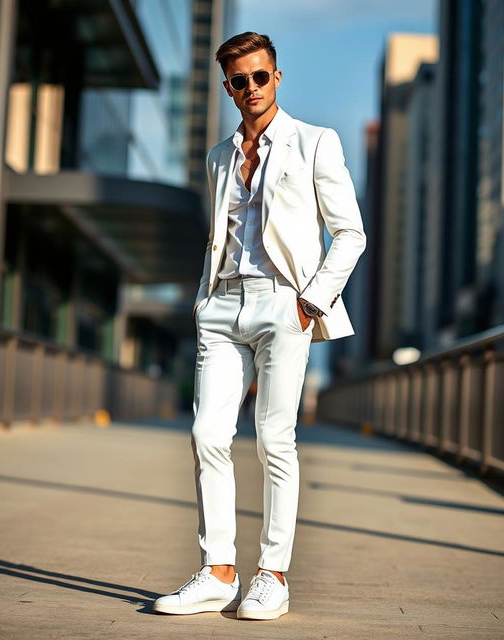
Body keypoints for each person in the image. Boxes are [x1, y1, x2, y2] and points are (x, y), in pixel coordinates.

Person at [153, 31, 366, 620]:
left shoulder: (315, 143)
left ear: (277, 76)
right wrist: (203, 302)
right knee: (208, 436)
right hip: (222, 306)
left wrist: (311, 301)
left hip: (284, 304)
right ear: (227, 87)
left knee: (275, 439)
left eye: (260, 76)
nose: (251, 88)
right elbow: (219, 237)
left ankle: (272, 575)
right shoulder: (220, 155)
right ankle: (218, 570)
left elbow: (351, 233)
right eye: (239, 80)